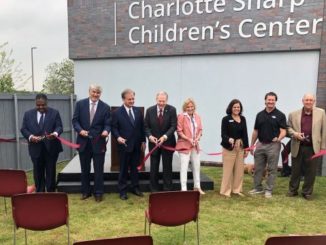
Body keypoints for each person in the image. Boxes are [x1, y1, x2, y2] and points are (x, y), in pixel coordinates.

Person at [72, 84, 110, 202]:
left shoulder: (105, 107)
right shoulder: (80, 104)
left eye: (98, 93)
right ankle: (85, 191)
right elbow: (75, 120)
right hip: (83, 142)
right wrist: (80, 130)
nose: (95, 94)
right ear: (89, 92)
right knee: (85, 169)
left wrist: (106, 131)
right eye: (93, 92)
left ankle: (98, 192)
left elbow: (108, 123)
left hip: (99, 143)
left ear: (100, 94)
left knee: (98, 169)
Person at [287, 93, 326, 200]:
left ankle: (307, 192)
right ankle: (292, 190)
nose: (308, 102)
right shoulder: (293, 114)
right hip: (297, 146)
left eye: (310, 100)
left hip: (313, 147)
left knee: (311, 171)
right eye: (306, 100)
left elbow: (324, 131)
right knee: (295, 170)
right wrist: (294, 134)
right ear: (302, 101)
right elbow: (288, 128)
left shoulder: (321, 113)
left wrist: (323, 147)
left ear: (314, 101)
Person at [21, 93, 63, 192]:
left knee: (50, 171)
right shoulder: (28, 114)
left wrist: (55, 133)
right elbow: (23, 129)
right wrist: (31, 137)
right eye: (38, 105)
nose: (41, 107)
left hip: (51, 148)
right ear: (35, 104)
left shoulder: (55, 113)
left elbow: (60, 126)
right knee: (37, 171)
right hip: (35, 148)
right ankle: (39, 192)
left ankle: (51, 192)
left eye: (43, 105)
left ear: (46, 103)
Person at [249, 92, 287, 198]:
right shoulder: (259, 115)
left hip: (273, 145)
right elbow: (255, 131)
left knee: (272, 169)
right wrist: (252, 145)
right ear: (265, 100)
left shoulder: (280, 115)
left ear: (275, 101)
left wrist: (279, 138)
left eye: (272, 100)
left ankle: (268, 190)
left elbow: (283, 131)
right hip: (260, 144)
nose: (270, 102)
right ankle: (257, 188)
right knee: (258, 168)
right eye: (268, 100)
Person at [111, 89, 146, 200]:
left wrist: (143, 141)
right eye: (129, 99)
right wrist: (118, 137)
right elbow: (114, 128)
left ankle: (135, 188)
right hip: (124, 146)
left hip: (136, 146)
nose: (132, 101)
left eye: (133, 99)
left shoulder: (137, 111)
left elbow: (141, 128)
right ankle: (122, 191)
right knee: (123, 169)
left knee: (135, 169)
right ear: (123, 99)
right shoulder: (116, 112)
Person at [144, 91, 177, 192]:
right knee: (154, 167)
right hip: (153, 143)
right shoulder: (150, 110)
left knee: (167, 166)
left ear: (167, 100)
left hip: (167, 143)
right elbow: (146, 126)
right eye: (160, 101)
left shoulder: (172, 110)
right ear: (156, 99)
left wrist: (165, 136)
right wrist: (150, 137)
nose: (161, 103)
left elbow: (173, 126)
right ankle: (154, 189)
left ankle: (167, 188)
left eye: (163, 101)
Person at [220, 99, 249, 198]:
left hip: (240, 147)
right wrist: (229, 139)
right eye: (235, 107)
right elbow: (223, 134)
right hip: (229, 148)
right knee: (228, 170)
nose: (237, 109)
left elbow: (245, 134)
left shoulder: (243, 119)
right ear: (231, 108)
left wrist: (246, 148)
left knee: (239, 170)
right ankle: (225, 191)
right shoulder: (226, 119)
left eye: (238, 107)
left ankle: (236, 189)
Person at [175, 98, 205, 194]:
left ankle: (197, 187)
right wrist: (189, 139)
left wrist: (197, 138)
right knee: (184, 167)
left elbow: (200, 130)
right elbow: (179, 131)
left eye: (192, 106)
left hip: (195, 146)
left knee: (197, 166)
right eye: (188, 107)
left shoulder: (197, 116)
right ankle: (184, 189)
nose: (190, 108)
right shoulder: (181, 116)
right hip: (184, 146)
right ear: (185, 108)